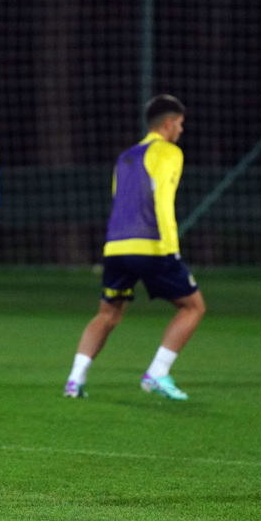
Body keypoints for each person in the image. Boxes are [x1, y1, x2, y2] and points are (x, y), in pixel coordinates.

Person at [64, 94, 206, 401]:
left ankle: (75, 380)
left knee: (108, 313)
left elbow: (121, 202)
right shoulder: (169, 152)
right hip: (152, 245)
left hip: (116, 246)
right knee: (193, 307)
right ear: (169, 123)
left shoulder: (125, 156)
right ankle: (157, 373)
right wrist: (171, 246)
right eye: (180, 124)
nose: (181, 130)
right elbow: (162, 199)